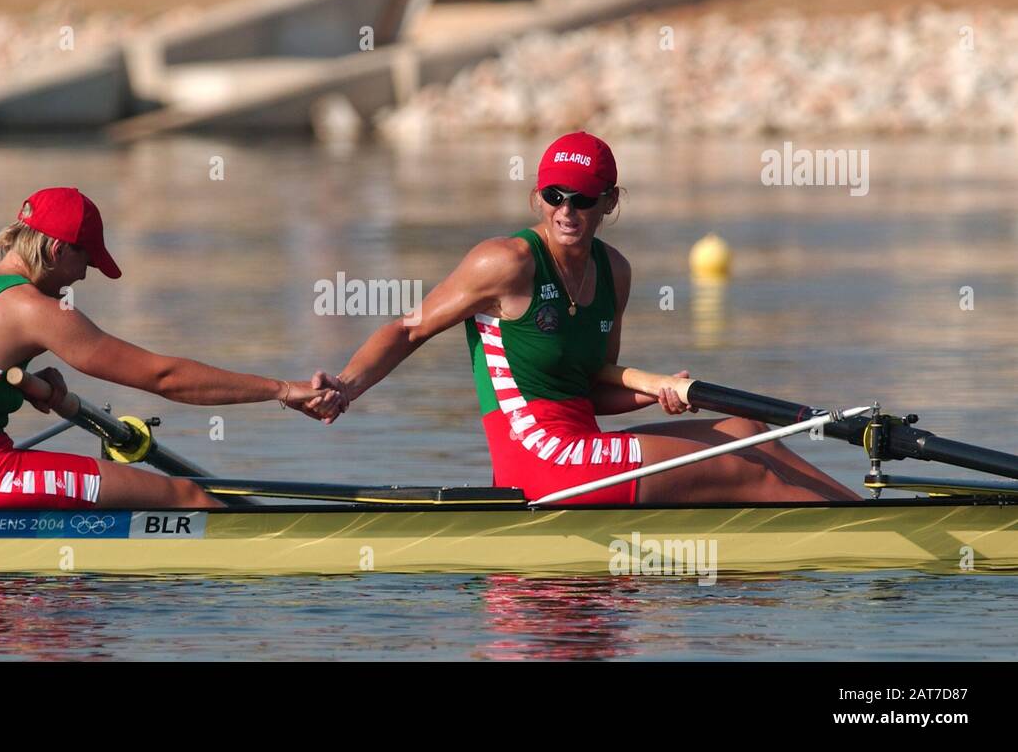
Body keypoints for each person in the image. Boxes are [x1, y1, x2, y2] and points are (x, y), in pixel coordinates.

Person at [326, 132, 859, 504]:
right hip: (540, 458)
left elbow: (594, 390)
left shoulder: (615, 271)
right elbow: (408, 329)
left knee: (749, 432)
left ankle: (853, 515)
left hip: (582, 448)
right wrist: (346, 387)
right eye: (553, 195)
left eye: (582, 199)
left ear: (609, 202)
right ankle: (871, 530)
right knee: (742, 464)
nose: (565, 211)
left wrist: (656, 392)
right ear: (538, 196)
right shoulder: (506, 261)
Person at [0, 187, 343, 510]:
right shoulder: (30, 308)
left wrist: (18, 386)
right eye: (85, 260)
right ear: (56, 249)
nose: (83, 276)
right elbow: (163, 378)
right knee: (188, 498)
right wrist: (285, 390)